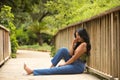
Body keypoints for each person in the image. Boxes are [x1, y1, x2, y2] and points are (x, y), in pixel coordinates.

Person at [24, 28, 91, 75]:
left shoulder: (84, 45)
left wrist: (64, 64)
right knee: (63, 49)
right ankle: (52, 67)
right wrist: (73, 43)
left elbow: (73, 58)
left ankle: (32, 71)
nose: (77, 37)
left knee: (57, 70)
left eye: (79, 35)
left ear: (83, 35)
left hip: (77, 67)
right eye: (76, 36)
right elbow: (70, 54)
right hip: (73, 63)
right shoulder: (79, 43)